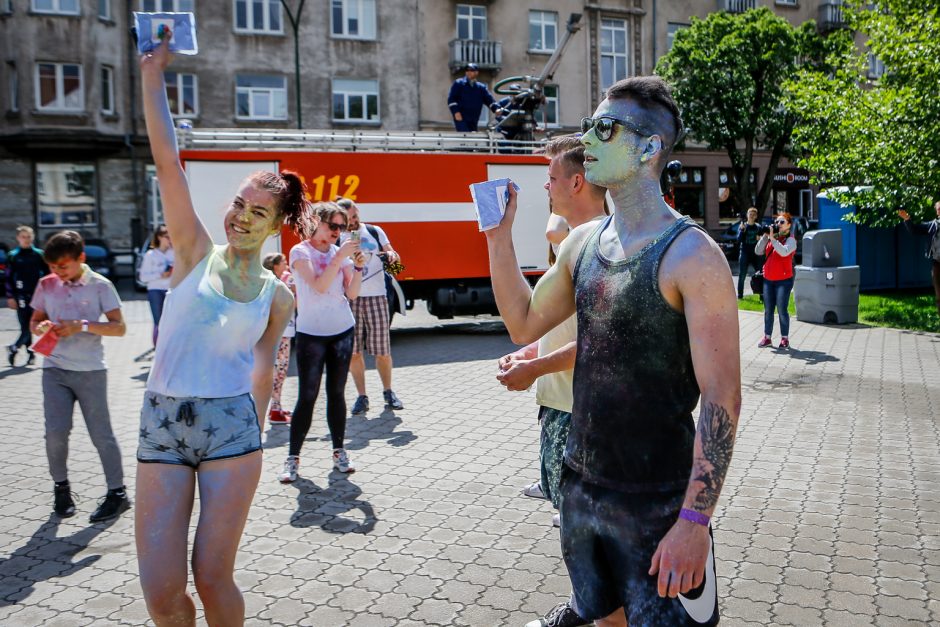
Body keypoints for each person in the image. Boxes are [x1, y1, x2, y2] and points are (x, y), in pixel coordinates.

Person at [483, 76, 740, 626]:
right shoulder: (582, 243)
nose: (588, 141)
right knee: (603, 620)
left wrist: (694, 523)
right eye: (588, 127)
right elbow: (523, 323)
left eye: (605, 128)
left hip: (659, 502)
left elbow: (721, 398)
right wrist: (498, 238)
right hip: (583, 488)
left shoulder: (693, 256)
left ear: (649, 148)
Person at [136, 32, 300, 626]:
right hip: (162, 424)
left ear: (277, 226)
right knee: (161, 593)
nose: (242, 217)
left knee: (212, 576)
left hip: (232, 430)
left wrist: (254, 428)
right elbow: (167, 164)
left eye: (259, 212)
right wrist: (153, 75)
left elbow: (263, 366)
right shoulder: (191, 252)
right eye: (239, 203)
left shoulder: (277, 295)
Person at [495, 135, 607, 627]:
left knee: (586, 529)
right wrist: (530, 352)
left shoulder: (601, 245)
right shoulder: (581, 242)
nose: (546, 184)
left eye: (552, 177)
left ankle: (591, 610)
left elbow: (605, 343)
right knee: (579, 525)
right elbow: (539, 325)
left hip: (582, 411)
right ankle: (589, 605)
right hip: (567, 405)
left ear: (577, 181)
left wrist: (533, 367)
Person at [29, 230, 128, 522]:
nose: (57, 272)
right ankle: (61, 489)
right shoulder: (46, 284)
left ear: (81, 259)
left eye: (63, 266)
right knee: (55, 433)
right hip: (54, 369)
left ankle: (117, 493)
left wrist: (82, 325)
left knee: (101, 434)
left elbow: (119, 328)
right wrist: (39, 327)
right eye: (52, 267)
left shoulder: (101, 285)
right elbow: (34, 320)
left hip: (90, 371)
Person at [279, 201, 365, 483]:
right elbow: (318, 285)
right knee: (307, 395)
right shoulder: (300, 251)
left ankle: (339, 451)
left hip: (341, 329)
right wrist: (340, 258)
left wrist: (359, 269)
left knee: (337, 393)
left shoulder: (342, 255)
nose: (338, 232)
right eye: (334, 226)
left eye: (342, 227)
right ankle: (292, 458)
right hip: (311, 334)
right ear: (316, 223)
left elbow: (351, 295)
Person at [337, 197, 404, 415]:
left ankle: (388, 392)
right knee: (354, 352)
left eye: (355, 216)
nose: (353, 221)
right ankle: (362, 396)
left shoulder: (375, 231)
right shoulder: (338, 238)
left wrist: (393, 256)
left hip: (377, 297)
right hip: (350, 300)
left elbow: (395, 261)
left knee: (383, 351)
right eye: (348, 219)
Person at [262, 252, 296, 425]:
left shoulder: (269, 282)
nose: (287, 265)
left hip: (278, 331)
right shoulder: (282, 281)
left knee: (278, 371)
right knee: (279, 371)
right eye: (283, 262)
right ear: (275, 266)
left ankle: (276, 406)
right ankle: (275, 411)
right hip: (282, 333)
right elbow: (293, 303)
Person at [5, 225, 46, 367]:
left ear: (33, 237)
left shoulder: (39, 254)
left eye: (28, 236)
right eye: (23, 237)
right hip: (21, 295)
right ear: (18, 238)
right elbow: (8, 277)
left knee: (32, 325)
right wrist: (10, 296)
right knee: (25, 326)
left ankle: (15, 348)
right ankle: (30, 354)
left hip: (37, 295)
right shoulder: (13, 255)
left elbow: (47, 275)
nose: (26, 240)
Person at [756, 212, 797, 349]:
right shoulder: (771, 238)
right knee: (768, 310)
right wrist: (765, 237)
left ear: (789, 225)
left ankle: (784, 338)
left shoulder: (791, 240)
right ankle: (767, 337)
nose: (778, 224)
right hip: (768, 279)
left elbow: (784, 252)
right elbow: (758, 251)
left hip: (784, 281)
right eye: (777, 222)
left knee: (781, 309)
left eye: (782, 222)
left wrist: (773, 239)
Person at [899, 202, 940, 315]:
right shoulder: (933, 225)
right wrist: (907, 219)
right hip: (937, 264)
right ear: (937, 212)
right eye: (938, 209)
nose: (939, 211)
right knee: (939, 295)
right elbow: (915, 230)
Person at [137, 224, 175, 346]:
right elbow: (143, 277)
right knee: (158, 321)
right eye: (166, 236)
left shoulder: (174, 253)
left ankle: (170, 348)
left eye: (171, 236)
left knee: (171, 321)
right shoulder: (150, 255)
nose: (169, 239)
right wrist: (160, 274)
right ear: (159, 237)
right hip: (156, 290)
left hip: (171, 290)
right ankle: (158, 348)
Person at [447, 63, 505, 132]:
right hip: (462, 118)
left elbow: (489, 100)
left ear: (476, 72)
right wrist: (456, 112)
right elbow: (451, 99)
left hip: (474, 119)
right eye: (467, 70)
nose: (469, 72)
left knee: (473, 138)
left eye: (471, 70)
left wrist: (496, 109)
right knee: (465, 136)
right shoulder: (459, 83)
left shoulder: (480, 87)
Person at [736, 207, 762, 299]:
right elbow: (738, 240)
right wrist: (742, 231)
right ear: (747, 215)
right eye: (749, 214)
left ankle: (762, 296)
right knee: (742, 274)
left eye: (753, 215)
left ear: (756, 216)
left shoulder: (758, 227)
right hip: (745, 252)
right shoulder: (743, 226)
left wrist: (760, 239)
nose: (751, 216)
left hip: (756, 253)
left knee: (760, 273)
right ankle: (740, 296)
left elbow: (762, 241)